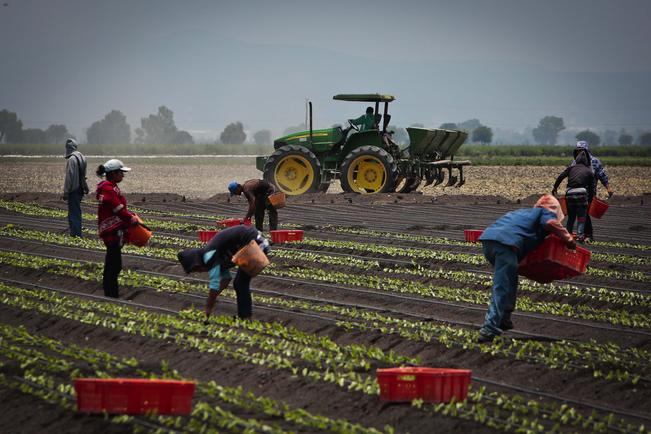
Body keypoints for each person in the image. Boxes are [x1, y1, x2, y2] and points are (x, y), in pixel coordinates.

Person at [477, 194, 576, 343]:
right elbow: (549, 222)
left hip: (489, 242)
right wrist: (568, 239)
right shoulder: (545, 212)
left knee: (510, 280)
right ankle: (489, 329)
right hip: (505, 245)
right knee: (502, 287)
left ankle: (504, 318)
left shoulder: (523, 213)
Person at [177, 225, 270, 321]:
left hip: (255, 242)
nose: (200, 272)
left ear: (198, 263)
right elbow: (226, 279)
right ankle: (244, 317)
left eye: (197, 269)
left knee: (241, 283)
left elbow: (214, 284)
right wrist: (214, 296)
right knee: (239, 283)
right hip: (254, 243)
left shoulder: (209, 256)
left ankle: (245, 318)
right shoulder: (215, 257)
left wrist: (209, 305)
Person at [95, 159, 138, 298]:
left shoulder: (109, 187)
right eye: (121, 173)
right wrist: (131, 218)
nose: (123, 176)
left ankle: (111, 293)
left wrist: (129, 215)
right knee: (114, 265)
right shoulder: (108, 189)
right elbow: (118, 208)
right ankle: (111, 294)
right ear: (113, 174)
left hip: (112, 232)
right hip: (111, 232)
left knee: (113, 263)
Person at [567, 141, 614, 242]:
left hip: (589, 192)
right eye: (578, 150)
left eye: (581, 150)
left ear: (586, 150)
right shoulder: (575, 161)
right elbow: (571, 174)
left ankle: (588, 234)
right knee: (577, 213)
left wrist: (608, 187)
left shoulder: (594, 161)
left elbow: (602, 175)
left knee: (585, 213)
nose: (580, 152)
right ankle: (580, 234)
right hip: (577, 191)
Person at [552, 149, 595, 243]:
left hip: (569, 193)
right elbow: (592, 188)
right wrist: (590, 200)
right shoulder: (589, 171)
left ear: (576, 160)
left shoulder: (571, 168)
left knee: (571, 216)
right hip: (582, 194)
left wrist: (555, 188)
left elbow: (560, 177)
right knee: (581, 216)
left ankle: (568, 235)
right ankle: (580, 236)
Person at [62, 138, 89, 237]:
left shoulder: (72, 159)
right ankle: (77, 232)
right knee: (77, 211)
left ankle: (76, 234)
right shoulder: (82, 157)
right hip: (81, 188)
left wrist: (66, 192)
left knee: (73, 213)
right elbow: (84, 174)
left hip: (73, 189)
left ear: (68, 148)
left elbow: (69, 177)